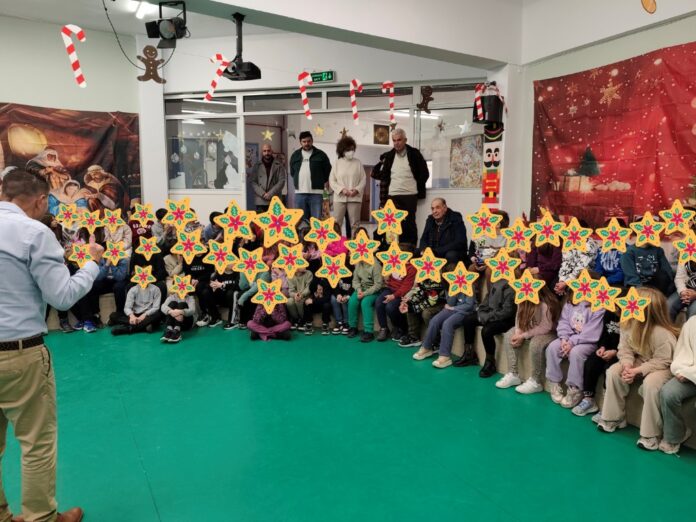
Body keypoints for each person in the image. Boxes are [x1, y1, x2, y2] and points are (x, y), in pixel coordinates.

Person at [0, 169, 103, 522]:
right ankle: (41, 518)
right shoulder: (33, 232)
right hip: (19, 353)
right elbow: (62, 296)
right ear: (42, 200)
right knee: (36, 444)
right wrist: (92, 263)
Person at [597, 287, 679, 451]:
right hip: (641, 359)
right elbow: (625, 349)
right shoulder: (627, 323)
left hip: (664, 366)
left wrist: (638, 371)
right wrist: (627, 365)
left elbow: (664, 361)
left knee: (651, 384)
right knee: (613, 371)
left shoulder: (662, 333)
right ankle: (614, 418)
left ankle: (651, 434)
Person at [495, 286, 561, 393]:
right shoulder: (522, 299)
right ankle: (513, 374)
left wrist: (523, 336)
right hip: (530, 328)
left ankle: (536, 381)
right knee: (509, 335)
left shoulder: (545, 305)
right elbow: (518, 318)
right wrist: (518, 333)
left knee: (536, 343)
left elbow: (545, 328)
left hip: (549, 332)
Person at [371, 128, 430, 245]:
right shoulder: (389, 156)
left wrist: (416, 185)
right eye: (394, 140)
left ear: (405, 140)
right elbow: (381, 175)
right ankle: (392, 247)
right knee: (391, 224)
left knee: (409, 224)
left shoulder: (414, 154)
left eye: (399, 140)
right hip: (392, 195)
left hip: (409, 195)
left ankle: (410, 247)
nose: (396, 143)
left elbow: (424, 173)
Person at [545, 293, 605, 408]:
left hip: (588, 342)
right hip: (568, 338)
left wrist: (572, 342)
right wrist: (564, 339)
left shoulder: (599, 306)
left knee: (576, 353)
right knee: (552, 347)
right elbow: (564, 322)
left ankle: (575, 389)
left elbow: (592, 332)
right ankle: (554, 382)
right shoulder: (570, 302)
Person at [456, 278, 517, 377]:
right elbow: (485, 302)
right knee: (468, 320)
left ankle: (490, 362)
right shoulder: (495, 282)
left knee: (487, 331)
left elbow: (507, 312)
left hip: (505, 320)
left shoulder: (511, 288)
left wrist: (488, 317)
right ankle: (469, 354)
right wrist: (482, 313)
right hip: (491, 314)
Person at [572, 311, 621, 416]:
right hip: (606, 350)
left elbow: (630, 344)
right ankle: (589, 399)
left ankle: (607, 407)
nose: (616, 309)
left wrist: (615, 352)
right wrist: (602, 347)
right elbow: (604, 333)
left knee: (609, 369)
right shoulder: (609, 313)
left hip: (621, 353)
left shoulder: (632, 317)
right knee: (591, 363)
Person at [659, 316, 696, 454]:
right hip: (691, 373)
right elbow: (683, 352)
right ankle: (675, 436)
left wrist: (691, 373)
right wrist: (683, 370)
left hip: (692, 373)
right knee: (669, 392)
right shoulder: (692, 322)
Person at [412, 291, 477, 369]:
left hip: (465, 311)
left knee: (447, 324)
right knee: (434, 321)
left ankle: (445, 356)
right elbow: (451, 303)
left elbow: (469, 305)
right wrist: (453, 291)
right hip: (451, 308)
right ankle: (426, 347)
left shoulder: (470, 285)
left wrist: (453, 308)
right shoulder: (450, 284)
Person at [289, 132, 332, 224]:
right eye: (304, 141)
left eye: (308, 141)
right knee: (300, 221)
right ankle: (303, 234)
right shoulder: (295, 155)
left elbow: (328, 170)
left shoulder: (321, 155)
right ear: (300, 142)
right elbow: (292, 172)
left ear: (312, 141)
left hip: (316, 193)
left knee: (316, 222)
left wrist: (321, 180)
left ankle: (314, 234)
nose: (306, 143)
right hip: (300, 193)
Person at [375, 251, 417, 343]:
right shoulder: (394, 262)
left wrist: (394, 296)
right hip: (390, 289)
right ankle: (384, 328)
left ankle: (401, 328)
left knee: (390, 307)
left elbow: (406, 287)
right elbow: (389, 279)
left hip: (402, 293)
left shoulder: (411, 268)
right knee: (379, 302)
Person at [621, 226, 674, 297]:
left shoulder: (658, 250)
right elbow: (631, 276)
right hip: (636, 285)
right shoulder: (629, 252)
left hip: (654, 284)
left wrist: (672, 283)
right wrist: (642, 291)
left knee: (664, 276)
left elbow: (667, 270)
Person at [329, 136, 365, 235]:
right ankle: (337, 243)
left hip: (355, 198)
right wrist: (342, 190)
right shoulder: (337, 163)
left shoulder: (358, 163)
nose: (351, 152)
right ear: (342, 150)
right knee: (337, 223)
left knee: (355, 224)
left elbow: (363, 179)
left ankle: (354, 243)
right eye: (348, 149)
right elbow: (332, 180)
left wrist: (356, 190)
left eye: (352, 149)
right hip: (339, 197)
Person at [418, 198, 468, 265]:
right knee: (415, 252)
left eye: (437, 208)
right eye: (432, 208)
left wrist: (436, 251)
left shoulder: (455, 218)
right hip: (433, 251)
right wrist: (424, 250)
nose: (434, 211)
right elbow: (423, 239)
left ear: (445, 208)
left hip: (450, 252)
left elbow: (459, 242)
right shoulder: (430, 219)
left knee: (450, 255)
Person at [347, 260, 384, 343]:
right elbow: (355, 281)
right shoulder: (358, 263)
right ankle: (353, 327)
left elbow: (378, 285)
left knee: (365, 303)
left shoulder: (376, 265)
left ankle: (369, 331)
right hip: (361, 289)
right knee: (352, 302)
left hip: (374, 291)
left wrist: (365, 293)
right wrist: (359, 290)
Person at [248, 144, 287, 212]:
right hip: (260, 200)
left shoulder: (279, 165)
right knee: (261, 219)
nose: (267, 153)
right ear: (262, 152)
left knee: (275, 219)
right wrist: (263, 194)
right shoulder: (257, 166)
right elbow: (253, 182)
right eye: (264, 151)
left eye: (268, 151)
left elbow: (282, 181)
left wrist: (270, 193)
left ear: (271, 151)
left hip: (275, 199)